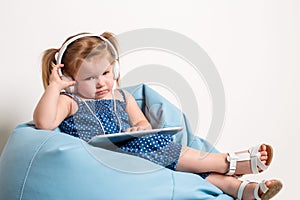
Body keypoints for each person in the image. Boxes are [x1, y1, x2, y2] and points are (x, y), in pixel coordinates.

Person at [33, 32, 282, 200]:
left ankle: (243, 190)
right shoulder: (71, 102)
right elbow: (44, 123)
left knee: (177, 161)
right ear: (71, 80)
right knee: (160, 150)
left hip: (137, 151)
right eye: (89, 78)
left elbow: (141, 122)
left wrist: (138, 129)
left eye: (106, 73)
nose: (101, 83)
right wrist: (55, 87)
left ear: (115, 68)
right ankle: (228, 162)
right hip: (106, 158)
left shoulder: (122, 97)